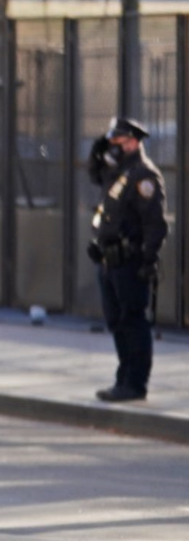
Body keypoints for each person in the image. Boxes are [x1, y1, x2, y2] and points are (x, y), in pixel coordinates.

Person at [88, 116, 169, 403]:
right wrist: (96, 155)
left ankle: (136, 384)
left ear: (133, 142)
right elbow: (97, 177)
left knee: (133, 321)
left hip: (131, 262)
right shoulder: (118, 173)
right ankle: (123, 379)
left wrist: (149, 259)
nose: (113, 148)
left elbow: (155, 224)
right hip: (109, 260)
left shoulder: (143, 176)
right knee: (116, 321)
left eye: (117, 143)